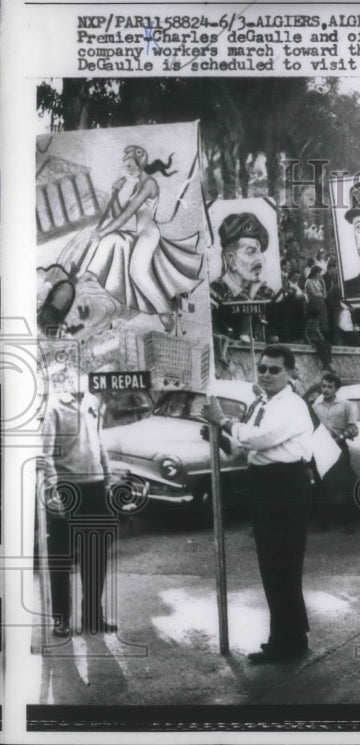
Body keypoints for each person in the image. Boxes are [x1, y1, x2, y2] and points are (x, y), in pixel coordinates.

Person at [203, 345, 314, 663]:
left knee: (283, 563)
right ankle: (289, 634)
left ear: (290, 372)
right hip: (265, 484)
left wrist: (224, 421)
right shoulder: (259, 404)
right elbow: (241, 447)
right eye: (262, 368)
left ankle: (287, 639)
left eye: (274, 369)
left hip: (287, 486)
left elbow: (262, 438)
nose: (266, 374)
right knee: (272, 564)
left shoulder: (292, 405)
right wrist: (219, 436)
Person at [62, 145, 203, 329]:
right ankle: (92, 281)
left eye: (130, 165)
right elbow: (121, 212)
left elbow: (127, 214)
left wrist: (102, 231)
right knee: (111, 244)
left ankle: (166, 311)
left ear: (140, 165)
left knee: (137, 271)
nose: (127, 169)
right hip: (138, 233)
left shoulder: (149, 184)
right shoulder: (137, 186)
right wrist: (116, 193)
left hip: (149, 234)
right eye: (126, 166)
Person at [39, 376, 116, 637]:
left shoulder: (93, 401)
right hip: (66, 487)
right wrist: (53, 491)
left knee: (96, 555)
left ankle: (93, 616)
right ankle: (61, 619)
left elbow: (99, 441)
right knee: (61, 556)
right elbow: (44, 453)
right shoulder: (55, 406)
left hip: (94, 487)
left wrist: (108, 479)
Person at [311, 372, 360, 531]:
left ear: (336, 389)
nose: (325, 390)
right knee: (321, 485)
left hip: (339, 448)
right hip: (320, 450)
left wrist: (340, 437)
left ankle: (349, 522)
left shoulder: (346, 405)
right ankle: (323, 522)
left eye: (329, 387)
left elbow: (353, 428)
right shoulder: (315, 406)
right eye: (323, 386)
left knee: (344, 485)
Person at [209, 212, 275, 302]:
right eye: (251, 252)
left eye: (260, 252)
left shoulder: (267, 294)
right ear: (231, 260)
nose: (262, 260)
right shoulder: (212, 296)